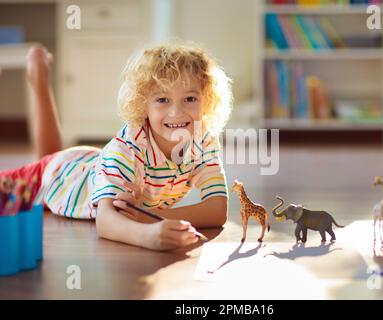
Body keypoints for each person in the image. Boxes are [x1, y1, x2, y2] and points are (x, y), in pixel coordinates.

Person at [0, 42, 233, 251]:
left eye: (190, 99)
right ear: (143, 105)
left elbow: (217, 210)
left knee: (51, 156)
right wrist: (148, 235)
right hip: (61, 174)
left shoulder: (203, 140)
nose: (176, 112)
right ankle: (39, 76)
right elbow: (106, 220)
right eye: (162, 99)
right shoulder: (128, 147)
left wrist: (151, 217)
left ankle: (39, 74)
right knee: (42, 168)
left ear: (207, 101)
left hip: (89, 164)